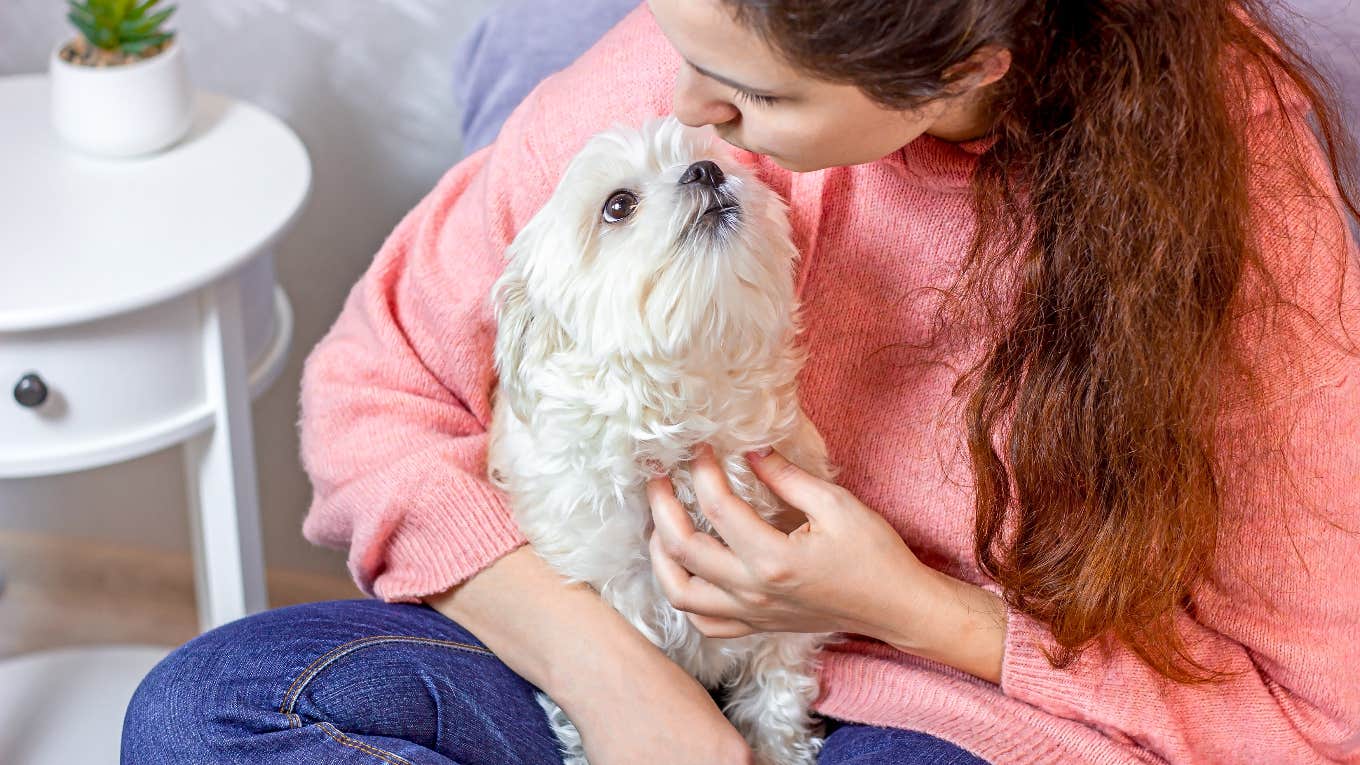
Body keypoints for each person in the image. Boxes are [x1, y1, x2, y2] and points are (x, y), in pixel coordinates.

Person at [121, 1, 1360, 763]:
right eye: (675, 33)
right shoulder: (707, 52)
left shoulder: (1233, 212)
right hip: (599, 664)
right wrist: (628, 694)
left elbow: (1316, 713)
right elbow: (368, 394)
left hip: (952, 718)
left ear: (962, 72)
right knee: (201, 716)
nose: (685, 110)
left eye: (757, 96)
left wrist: (912, 607)